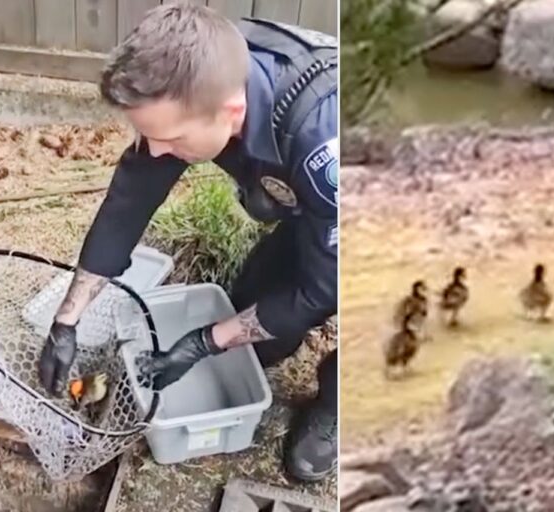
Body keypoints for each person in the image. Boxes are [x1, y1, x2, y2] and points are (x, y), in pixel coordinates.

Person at [37, 4, 337, 482]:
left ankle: (338, 404)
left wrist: (203, 342)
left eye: (170, 139)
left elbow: (324, 289)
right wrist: (66, 322)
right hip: (318, 212)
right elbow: (129, 200)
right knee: (259, 314)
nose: (155, 151)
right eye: (147, 134)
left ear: (232, 112)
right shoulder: (195, 69)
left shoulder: (324, 146)